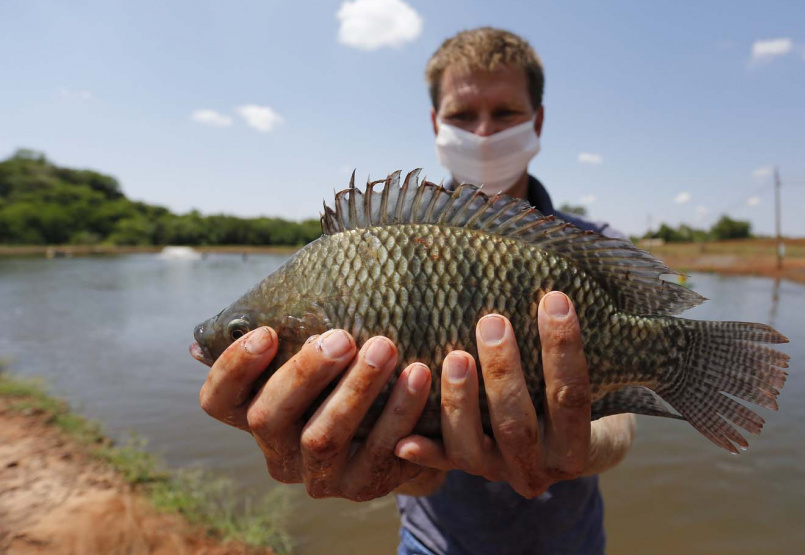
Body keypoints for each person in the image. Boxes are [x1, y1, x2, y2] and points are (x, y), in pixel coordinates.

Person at [197, 27, 635, 555]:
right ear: (435, 123)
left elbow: (621, 422)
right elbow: (416, 469)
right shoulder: (362, 249)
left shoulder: (594, 245)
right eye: (462, 115)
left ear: (537, 119)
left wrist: (580, 443)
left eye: (505, 113)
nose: (483, 131)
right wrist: (395, 463)